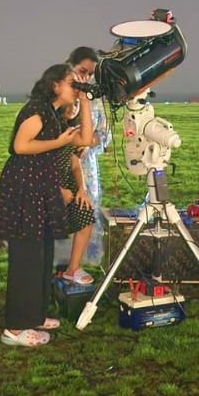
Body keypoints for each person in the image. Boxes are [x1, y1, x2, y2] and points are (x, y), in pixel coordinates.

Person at [0, 64, 92, 346]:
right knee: (26, 259)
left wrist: (84, 101)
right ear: (55, 84)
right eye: (73, 83)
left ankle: (33, 314)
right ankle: (14, 328)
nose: (77, 87)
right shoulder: (37, 110)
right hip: (24, 192)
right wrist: (57, 142)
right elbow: (20, 146)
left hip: (39, 192)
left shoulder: (55, 115)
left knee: (42, 255)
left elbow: (84, 139)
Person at [66, 47, 112, 267]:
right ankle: (59, 262)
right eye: (81, 71)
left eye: (90, 74)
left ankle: (83, 263)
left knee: (87, 208)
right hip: (57, 163)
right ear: (70, 65)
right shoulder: (59, 90)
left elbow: (105, 134)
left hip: (85, 164)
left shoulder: (95, 99)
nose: (85, 78)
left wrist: (89, 141)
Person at [56, 101, 95, 284]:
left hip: (68, 186)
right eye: (71, 104)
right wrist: (57, 190)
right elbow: (37, 164)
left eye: (78, 104)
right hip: (44, 186)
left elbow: (75, 164)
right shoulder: (50, 128)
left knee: (85, 210)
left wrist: (81, 189)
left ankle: (72, 268)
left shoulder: (69, 129)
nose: (74, 108)